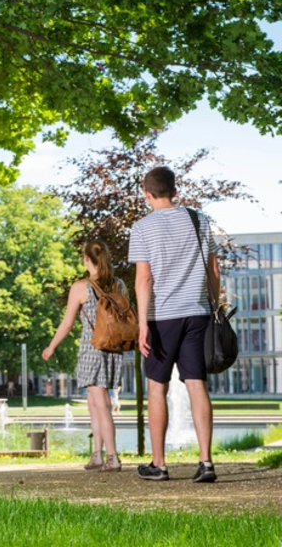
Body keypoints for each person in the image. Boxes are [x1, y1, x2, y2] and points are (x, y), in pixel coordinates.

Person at [129, 165, 218, 483]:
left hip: (161, 318)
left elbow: (143, 278)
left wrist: (142, 324)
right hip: (198, 313)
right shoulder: (199, 219)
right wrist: (213, 307)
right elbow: (213, 271)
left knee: (157, 386)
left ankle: (159, 464)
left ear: (147, 193)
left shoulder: (142, 227)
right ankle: (206, 462)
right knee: (196, 384)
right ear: (174, 189)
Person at [42, 240, 124, 472]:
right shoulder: (118, 285)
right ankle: (97, 454)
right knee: (93, 402)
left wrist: (51, 347)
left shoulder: (81, 287)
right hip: (113, 349)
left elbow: (67, 324)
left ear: (87, 259)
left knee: (101, 403)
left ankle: (113, 457)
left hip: (92, 349)